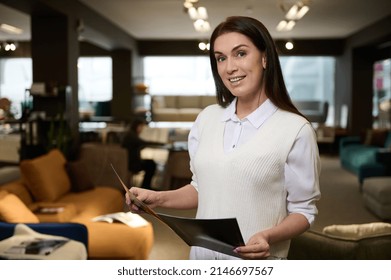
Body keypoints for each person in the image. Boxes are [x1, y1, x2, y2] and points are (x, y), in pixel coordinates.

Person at [126, 16, 321, 260]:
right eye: (221, 58)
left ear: (265, 58)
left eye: (240, 53)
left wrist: (269, 236)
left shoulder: (296, 129)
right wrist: (158, 198)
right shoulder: (206, 119)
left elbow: (303, 211)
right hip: (201, 259)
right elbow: (202, 188)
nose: (229, 67)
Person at [121, 118, 165, 189]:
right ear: (137, 126)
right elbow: (143, 142)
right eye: (141, 127)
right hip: (132, 164)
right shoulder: (131, 136)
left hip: (128, 162)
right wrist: (161, 143)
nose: (142, 130)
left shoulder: (129, 134)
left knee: (150, 163)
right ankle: (145, 187)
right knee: (151, 164)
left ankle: (145, 186)